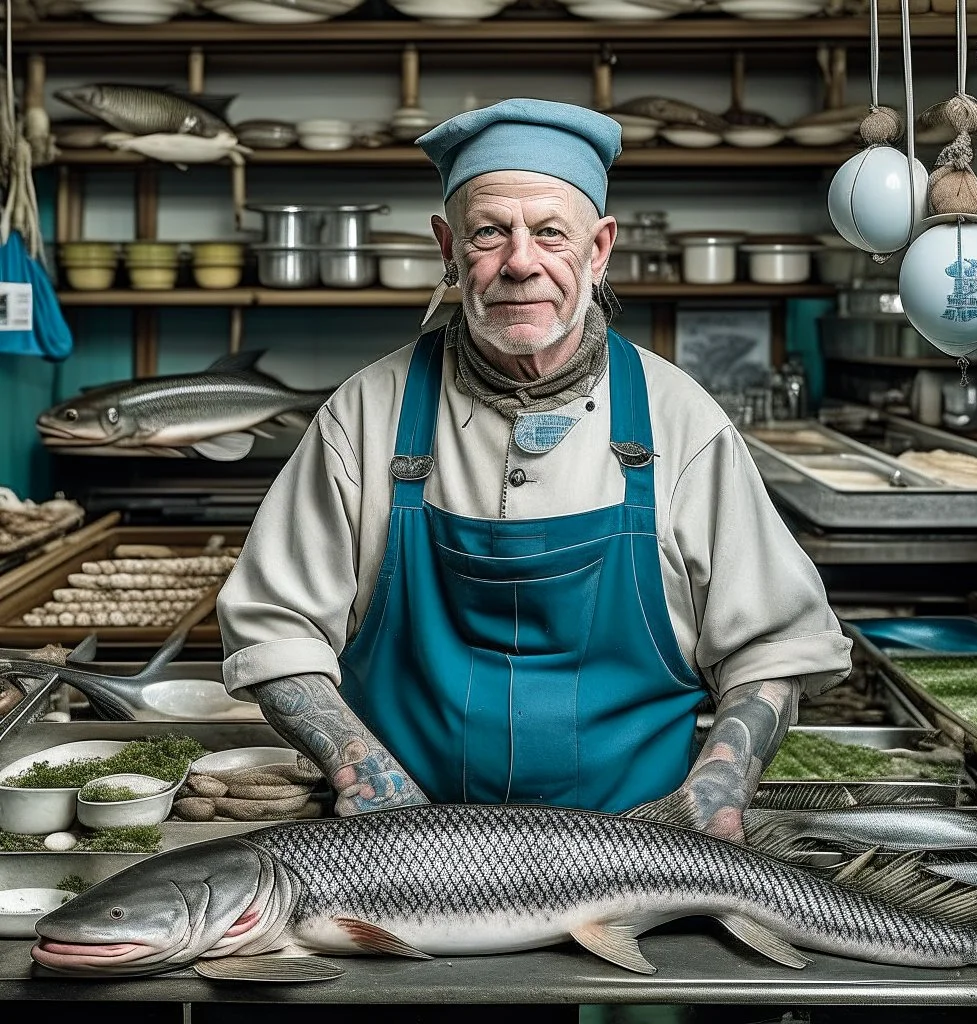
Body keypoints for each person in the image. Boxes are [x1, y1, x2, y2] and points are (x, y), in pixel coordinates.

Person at [216, 98, 852, 842]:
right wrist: (360, 771)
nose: (521, 263)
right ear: (448, 248)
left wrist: (718, 786)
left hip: (643, 850)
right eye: (491, 233)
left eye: (551, 232)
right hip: (405, 851)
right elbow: (273, 627)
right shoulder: (365, 415)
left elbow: (774, 645)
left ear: (599, 248)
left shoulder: (682, 420)